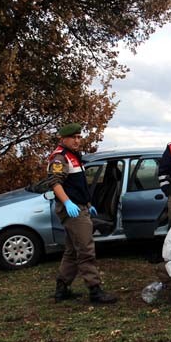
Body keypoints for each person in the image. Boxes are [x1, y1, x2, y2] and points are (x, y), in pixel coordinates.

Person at [46, 123, 117, 304]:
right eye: (74, 138)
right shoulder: (60, 158)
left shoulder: (73, 156)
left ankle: (61, 289)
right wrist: (68, 202)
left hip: (80, 206)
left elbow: (77, 185)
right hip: (73, 211)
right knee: (86, 250)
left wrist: (87, 203)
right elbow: (55, 183)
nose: (77, 140)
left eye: (79, 137)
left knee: (71, 251)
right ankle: (95, 290)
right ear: (63, 139)